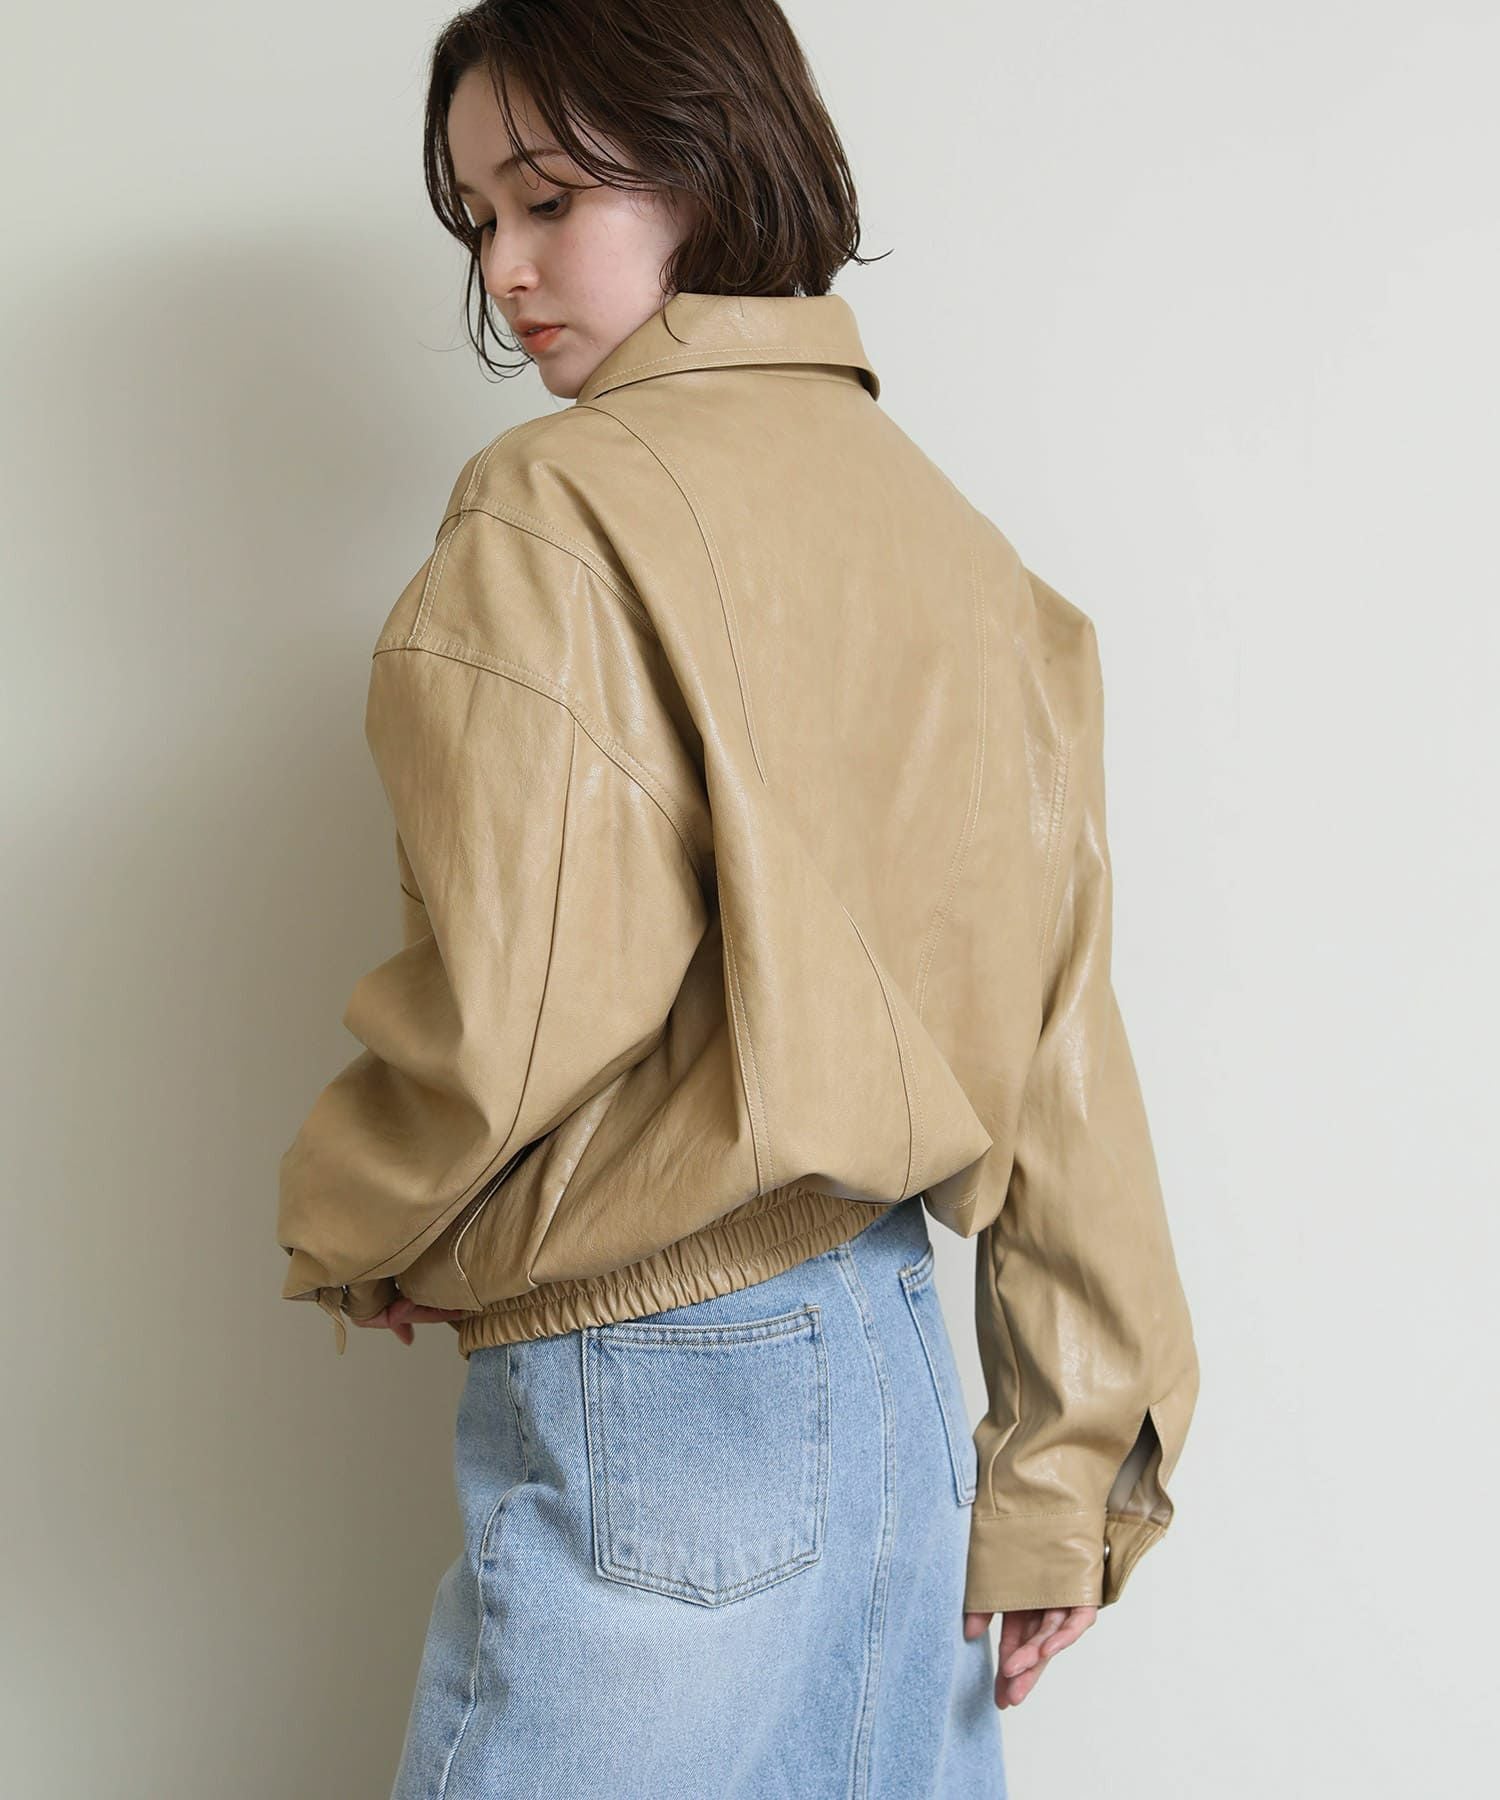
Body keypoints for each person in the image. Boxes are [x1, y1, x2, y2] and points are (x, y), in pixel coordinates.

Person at [274, 3, 1200, 1794]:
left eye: (548, 199)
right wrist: (1069, 1472)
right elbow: (1061, 1039)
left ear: (703, 163)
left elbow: (526, 1003)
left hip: (662, 1390)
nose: (506, 269)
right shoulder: (959, 545)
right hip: (901, 1380)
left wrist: (359, 1221)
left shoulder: (552, 509)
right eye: (479, 219)